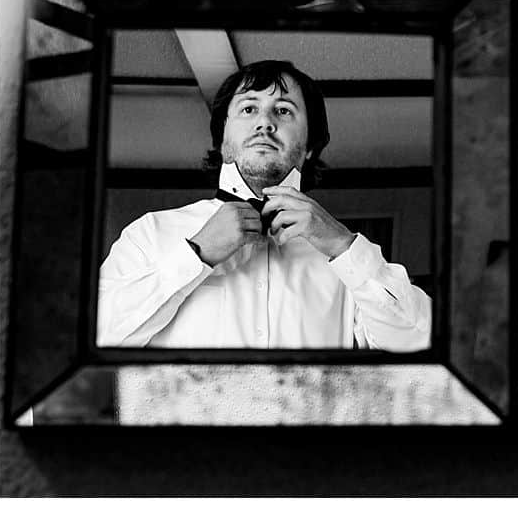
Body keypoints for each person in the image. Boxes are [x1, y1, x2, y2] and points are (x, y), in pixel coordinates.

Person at [97, 60, 431, 350]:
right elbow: (97, 336)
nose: (265, 122)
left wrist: (343, 246)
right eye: (248, 108)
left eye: (284, 110)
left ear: (310, 147)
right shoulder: (150, 234)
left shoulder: (347, 263)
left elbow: (422, 341)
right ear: (223, 142)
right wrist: (195, 255)